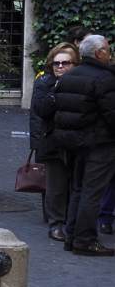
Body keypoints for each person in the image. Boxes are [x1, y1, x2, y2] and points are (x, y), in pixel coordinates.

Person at [44, 34, 115, 255]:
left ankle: (72, 235)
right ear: (99, 53)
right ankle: (84, 240)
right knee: (92, 192)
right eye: (108, 49)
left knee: (78, 189)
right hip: (99, 143)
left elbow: (61, 112)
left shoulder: (70, 76)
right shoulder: (105, 78)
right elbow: (112, 114)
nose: (110, 53)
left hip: (76, 144)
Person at [31, 43, 78, 241]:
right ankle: (56, 224)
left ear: (75, 64)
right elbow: (40, 111)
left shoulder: (82, 83)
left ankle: (74, 222)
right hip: (53, 140)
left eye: (65, 63)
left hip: (78, 141)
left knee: (77, 184)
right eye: (56, 63)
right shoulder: (45, 83)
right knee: (56, 186)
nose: (60, 67)